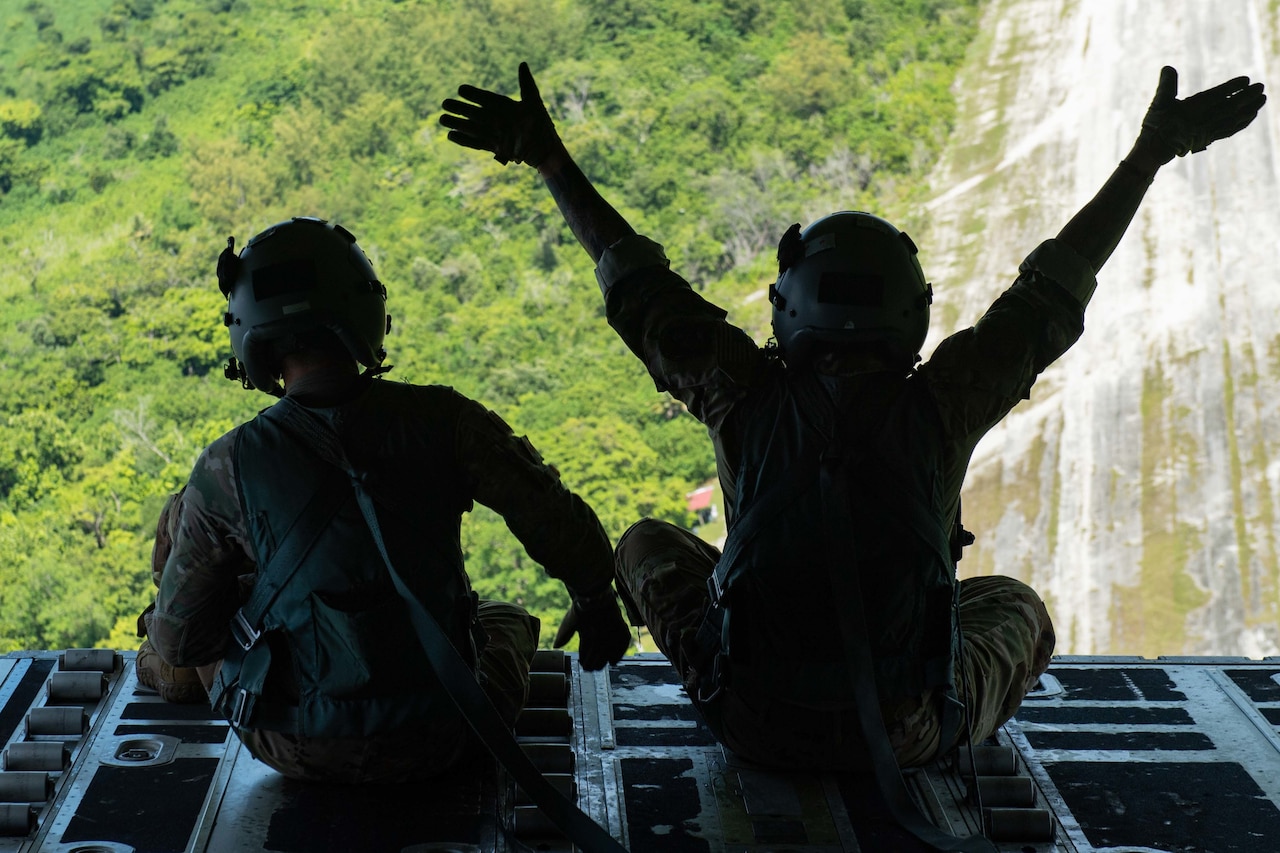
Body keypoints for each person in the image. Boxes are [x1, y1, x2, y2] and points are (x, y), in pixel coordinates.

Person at [440, 64, 1265, 771]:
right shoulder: (949, 400)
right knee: (1013, 602)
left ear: (786, 309)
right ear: (912, 317)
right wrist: (1149, 154)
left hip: (755, 719)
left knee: (645, 542)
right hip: (904, 732)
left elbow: (634, 283)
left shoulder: (737, 390)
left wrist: (547, 156)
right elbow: (1057, 284)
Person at [137, 216, 631, 783]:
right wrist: (595, 601)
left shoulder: (228, 464)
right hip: (448, 731)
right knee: (506, 618)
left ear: (251, 334)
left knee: (195, 589)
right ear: (364, 309)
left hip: (292, 743)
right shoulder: (446, 420)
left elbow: (182, 639)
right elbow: (551, 516)